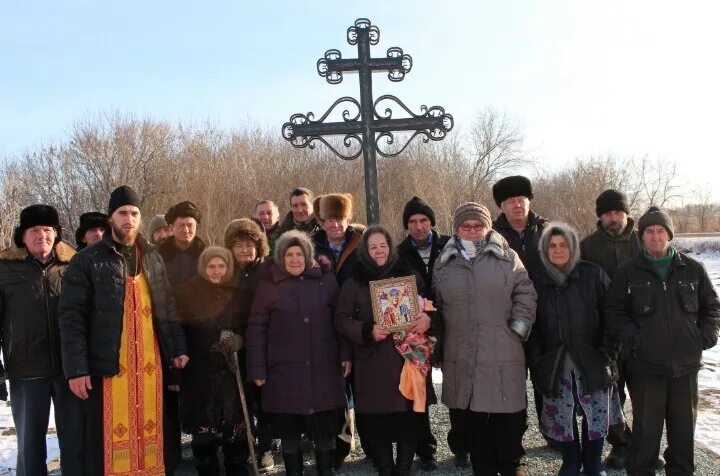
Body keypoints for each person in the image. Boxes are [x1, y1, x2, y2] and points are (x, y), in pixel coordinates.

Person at [58, 185, 189, 475]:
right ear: (110, 218)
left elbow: (167, 306)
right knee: (106, 444)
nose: (128, 219)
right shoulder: (87, 260)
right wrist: (76, 369)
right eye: (122, 213)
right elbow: (71, 318)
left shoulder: (153, 257)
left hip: (150, 363)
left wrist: (178, 349)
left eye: (134, 213)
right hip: (109, 367)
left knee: (154, 436)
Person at [606, 206, 720, 476]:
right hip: (646, 368)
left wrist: (705, 336)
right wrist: (636, 340)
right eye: (649, 231)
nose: (655, 237)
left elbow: (712, 307)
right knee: (646, 434)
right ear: (642, 236)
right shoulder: (628, 273)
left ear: (669, 235)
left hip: (686, 367)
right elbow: (614, 312)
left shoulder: (693, 268)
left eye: (660, 231)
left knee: (683, 435)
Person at [433, 202, 536, 476]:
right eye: (466, 226)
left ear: (488, 227)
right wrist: (439, 343)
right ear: (457, 230)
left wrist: (517, 328)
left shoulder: (507, 257)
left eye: (478, 226)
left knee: (508, 423)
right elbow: (438, 306)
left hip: (503, 349)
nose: (473, 231)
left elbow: (526, 294)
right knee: (475, 427)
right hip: (462, 354)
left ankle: (514, 465)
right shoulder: (445, 262)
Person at [246, 230, 350, 476]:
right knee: (290, 433)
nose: (294, 259)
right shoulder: (268, 285)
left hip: (323, 369)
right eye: (289, 254)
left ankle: (326, 471)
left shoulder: (327, 281)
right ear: (281, 257)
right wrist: (257, 368)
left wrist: (345, 354)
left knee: (324, 432)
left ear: (308, 256)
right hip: (283, 372)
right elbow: (256, 329)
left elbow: (341, 322)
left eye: (299, 254)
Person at [334, 226, 435, 476]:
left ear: (390, 248)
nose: (379, 251)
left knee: (409, 417)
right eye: (373, 246)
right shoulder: (354, 281)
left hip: (408, 359)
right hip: (372, 363)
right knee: (378, 420)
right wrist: (367, 331)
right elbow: (341, 319)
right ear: (365, 251)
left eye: (383, 245)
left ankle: (403, 467)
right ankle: (385, 467)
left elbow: (431, 305)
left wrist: (427, 319)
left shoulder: (408, 276)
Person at [528, 222, 623, 476]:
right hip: (555, 362)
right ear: (545, 250)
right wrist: (537, 360)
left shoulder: (593, 274)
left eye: (564, 245)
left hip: (593, 360)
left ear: (573, 247)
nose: (558, 250)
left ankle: (593, 463)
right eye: (552, 245)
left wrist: (607, 353)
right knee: (563, 418)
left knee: (594, 417)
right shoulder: (537, 280)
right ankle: (570, 461)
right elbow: (532, 327)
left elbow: (612, 318)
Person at [0, 204, 84, 476]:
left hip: (69, 370)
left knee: (75, 442)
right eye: (34, 230)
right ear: (22, 236)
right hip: (26, 371)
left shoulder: (74, 266)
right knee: (30, 446)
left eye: (48, 230)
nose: (41, 236)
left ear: (56, 234)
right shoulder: (5, 269)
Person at [580, 189, 641, 468]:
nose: (613, 218)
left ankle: (644, 444)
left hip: (641, 332)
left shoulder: (644, 241)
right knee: (612, 392)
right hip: (605, 333)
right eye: (607, 213)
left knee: (645, 393)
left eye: (618, 212)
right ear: (600, 216)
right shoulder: (588, 247)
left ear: (627, 214)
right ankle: (620, 445)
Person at [491, 175, 551, 457]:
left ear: (529, 202)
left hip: (546, 318)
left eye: (521, 200)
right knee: (513, 379)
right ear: (502, 206)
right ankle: (515, 435)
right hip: (507, 320)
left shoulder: (548, 231)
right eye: (510, 202)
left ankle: (552, 431)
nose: (517, 206)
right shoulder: (492, 236)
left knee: (545, 376)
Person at [176, 246, 248, 475]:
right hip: (199, 369)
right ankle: (207, 470)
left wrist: (237, 340)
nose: (216, 271)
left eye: (221, 266)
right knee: (203, 427)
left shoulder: (238, 291)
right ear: (203, 268)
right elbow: (180, 331)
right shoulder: (188, 293)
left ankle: (236, 467)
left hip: (231, 369)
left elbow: (250, 326)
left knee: (232, 424)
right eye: (211, 266)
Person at [396, 196, 450, 469]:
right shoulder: (399, 254)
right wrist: (423, 319)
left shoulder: (449, 246)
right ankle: (425, 449)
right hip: (416, 330)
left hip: (451, 325)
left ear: (431, 222)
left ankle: (462, 444)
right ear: (407, 226)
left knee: (459, 387)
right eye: (413, 222)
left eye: (423, 221)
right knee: (419, 391)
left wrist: (436, 319)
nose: (418, 226)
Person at [157, 199, 205, 474]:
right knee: (170, 394)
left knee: (198, 389)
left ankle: (203, 447)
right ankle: (170, 452)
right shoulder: (159, 255)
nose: (186, 230)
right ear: (171, 227)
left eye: (191, 225)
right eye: (181, 225)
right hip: (167, 327)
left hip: (198, 328)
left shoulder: (206, 251)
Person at [223, 218, 274, 472]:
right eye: (239, 245)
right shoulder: (225, 270)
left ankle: (265, 448)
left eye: (250, 245)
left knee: (264, 398)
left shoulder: (267, 270)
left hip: (263, 341)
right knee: (239, 397)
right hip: (234, 341)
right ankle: (245, 444)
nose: (245, 250)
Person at [313, 193, 365, 287]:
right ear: (322, 224)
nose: (335, 225)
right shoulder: (311, 250)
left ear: (348, 222)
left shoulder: (362, 246)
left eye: (340, 219)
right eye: (330, 220)